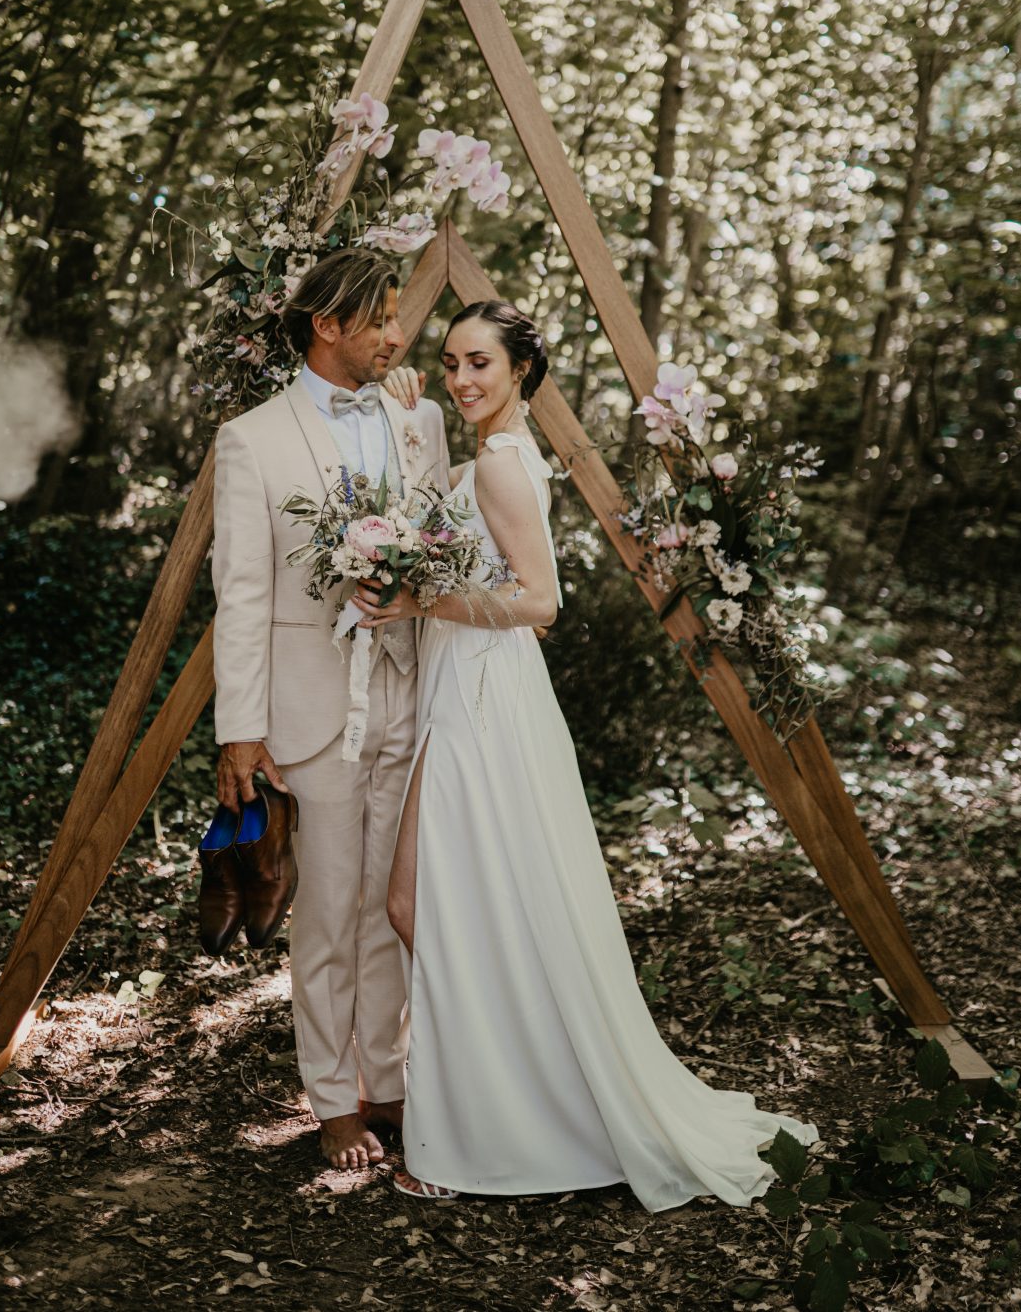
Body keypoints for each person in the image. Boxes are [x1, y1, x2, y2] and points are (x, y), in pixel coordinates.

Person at [356, 300, 819, 1209]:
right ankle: (511, 1106)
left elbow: (541, 603)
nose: (461, 380)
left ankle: (482, 1132)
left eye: (479, 363)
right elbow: (440, 523)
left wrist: (422, 605)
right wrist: (399, 410)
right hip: (472, 693)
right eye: (450, 363)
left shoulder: (499, 463)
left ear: (522, 371)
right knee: (439, 905)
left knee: (427, 904)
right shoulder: (494, 455)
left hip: (485, 697)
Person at [212, 249, 449, 1171]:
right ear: (327, 325)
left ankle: (385, 1079)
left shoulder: (417, 419)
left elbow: (436, 541)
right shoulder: (252, 439)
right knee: (327, 909)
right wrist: (241, 727)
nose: (397, 335)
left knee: (392, 904)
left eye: (398, 319)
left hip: (407, 694)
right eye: (380, 320)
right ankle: (330, 1097)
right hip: (311, 709)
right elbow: (239, 593)